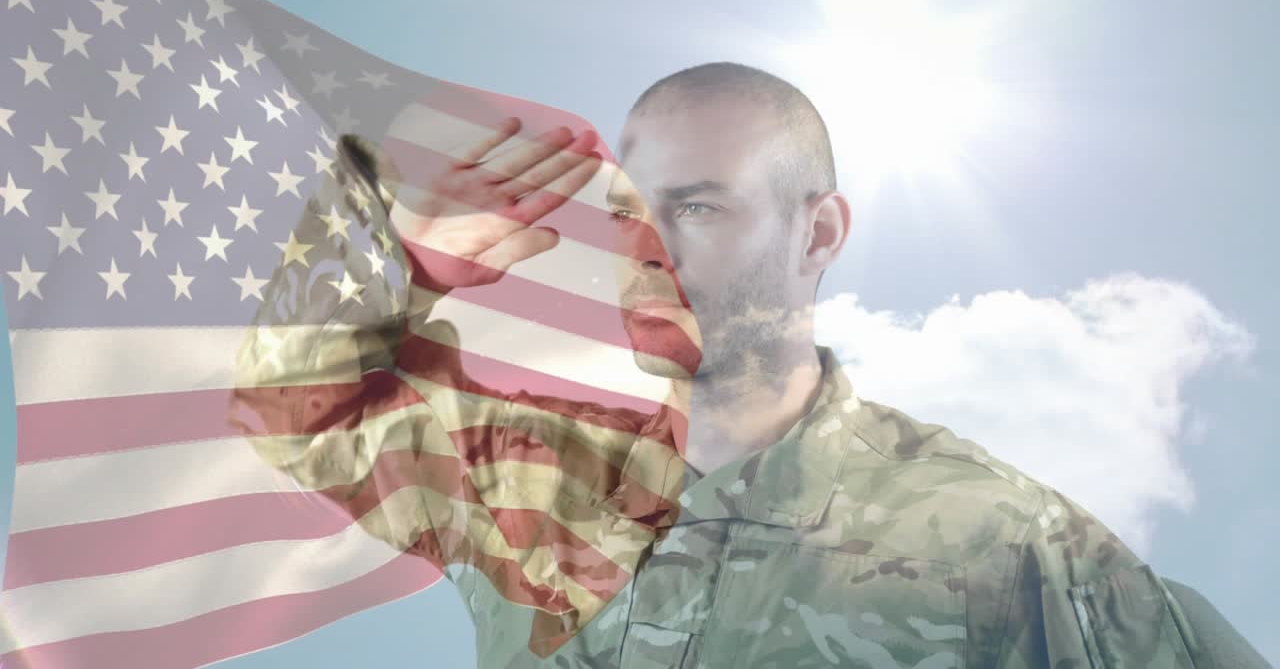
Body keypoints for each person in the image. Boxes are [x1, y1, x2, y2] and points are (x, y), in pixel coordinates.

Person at [231, 62, 1225, 668]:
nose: (647, 249)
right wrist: (382, 252)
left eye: (698, 207)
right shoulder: (522, 481)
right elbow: (295, 411)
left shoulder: (997, 540)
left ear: (818, 232)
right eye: (634, 207)